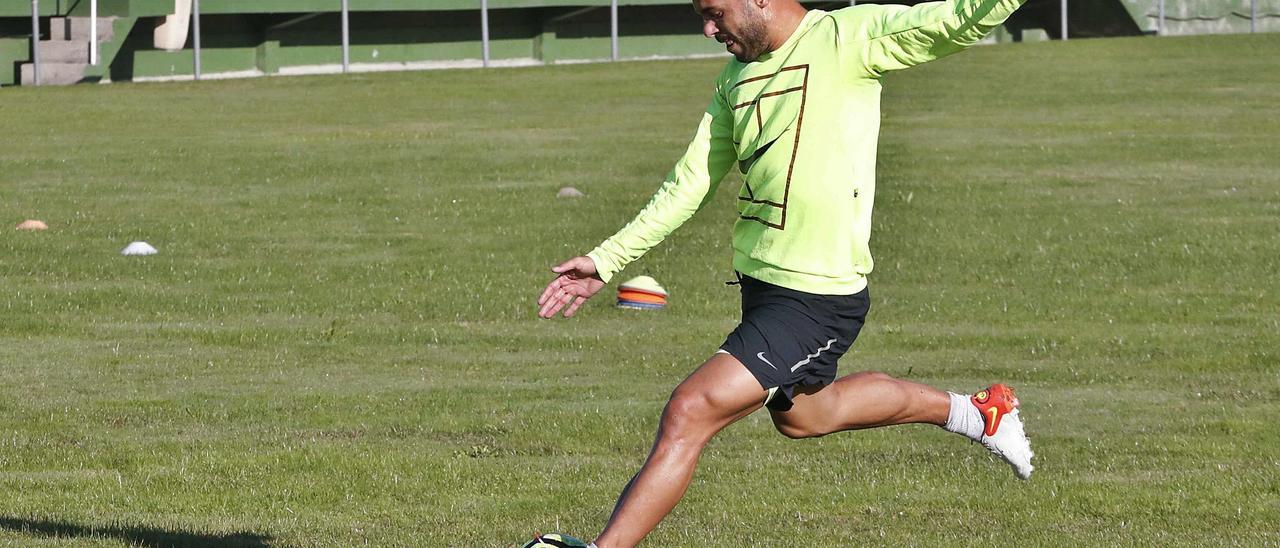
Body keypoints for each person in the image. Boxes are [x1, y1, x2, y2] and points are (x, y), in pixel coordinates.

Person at [537, 0, 1033, 545]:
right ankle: (976, 414)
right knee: (808, 416)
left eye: (714, 13)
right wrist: (607, 259)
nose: (707, 29)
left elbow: (957, 19)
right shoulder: (733, 81)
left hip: (817, 298)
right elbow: (690, 183)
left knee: (690, 410)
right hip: (763, 290)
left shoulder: (848, 37)